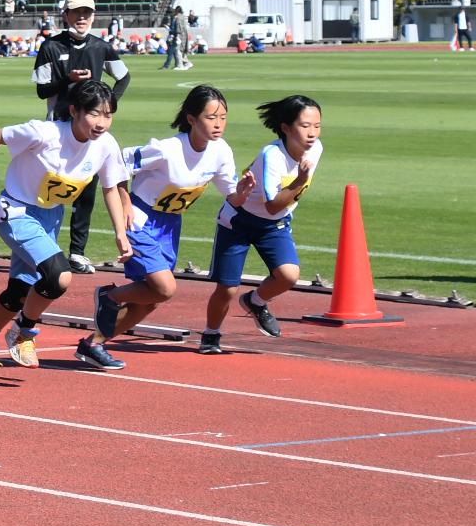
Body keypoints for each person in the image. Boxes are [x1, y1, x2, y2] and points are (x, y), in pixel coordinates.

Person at [0, 79, 133, 375]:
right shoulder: (45, 132)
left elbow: (110, 188)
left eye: (108, 115)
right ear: (74, 110)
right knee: (59, 276)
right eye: (94, 114)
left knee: (20, 291)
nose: (101, 123)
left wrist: (120, 233)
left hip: (49, 217)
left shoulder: (106, 146)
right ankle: (22, 331)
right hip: (16, 211)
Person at [78, 84, 239, 362]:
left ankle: (93, 345)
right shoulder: (166, 150)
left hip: (170, 224)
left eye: (223, 117)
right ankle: (109, 297)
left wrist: (246, 193)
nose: (218, 124)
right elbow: (121, 160)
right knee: (166, 288)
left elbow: (232, 194)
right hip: (140, 217)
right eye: (211, 118)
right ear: (191, 119)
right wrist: (125, 200)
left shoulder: (221, 152)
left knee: (151, 300)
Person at [202, 94, 323, 343]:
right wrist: (299, 181)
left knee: (289, 275)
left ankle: (255, 302)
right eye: (305, 126)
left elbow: (278, 209)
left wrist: (296, 191)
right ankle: (211, 334)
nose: (312, 133)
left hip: (274, 224)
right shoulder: (272, 155)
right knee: (227, 288)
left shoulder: (316, 149)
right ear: (286, 128)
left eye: (317, 126)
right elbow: (271, 204)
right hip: (239, 221)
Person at [31, 0, 131, 274]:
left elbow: (124, 75)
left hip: (88, 130)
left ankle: (77, 252)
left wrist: (108, 105)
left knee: (86, 191)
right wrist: (68, 79)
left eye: (87, 13)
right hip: (57, 127)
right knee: (51, 188)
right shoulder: (51, 46)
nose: (82, 17)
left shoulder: (100, 46)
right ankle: (44, 248)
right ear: (66, 15)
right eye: (76, 13)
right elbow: (41, 90)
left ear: (93, 16)